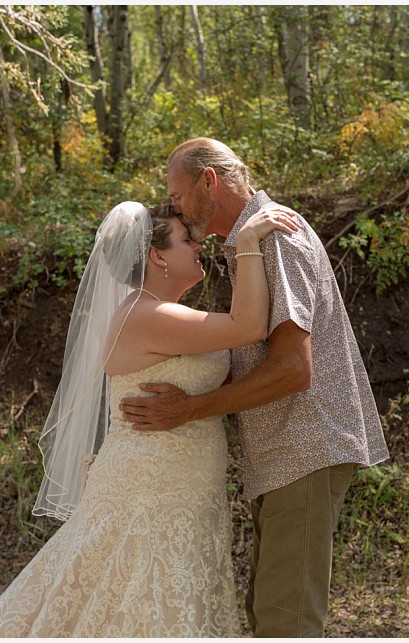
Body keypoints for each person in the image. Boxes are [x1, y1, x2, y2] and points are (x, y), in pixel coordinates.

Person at [0, 200, 298, 637]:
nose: (199, 244)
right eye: (187, 239)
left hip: (183, 488)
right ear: (158, 255)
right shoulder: (146, 315)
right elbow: (248, 326)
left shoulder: (163, 313)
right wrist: (249, 239)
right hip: (149, 490)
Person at [119, 138, 390, 637]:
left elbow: (293, 369)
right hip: (282, 454)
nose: (172, 206)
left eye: (176, 195)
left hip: (304, 445)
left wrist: (191, 409)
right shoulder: (247, 242)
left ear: (209, 181)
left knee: (286, 621)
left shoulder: (275, 237)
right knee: (268, 614)